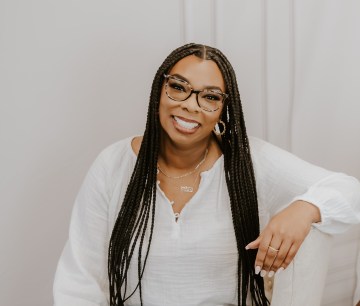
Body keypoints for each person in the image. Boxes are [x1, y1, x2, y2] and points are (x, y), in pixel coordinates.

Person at [53, 43, 360, 306]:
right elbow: (80, 280)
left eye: (210, 96)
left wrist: (305, 209)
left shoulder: (249, 161)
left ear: (224, 108)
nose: (190, 106)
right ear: (159, 90)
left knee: (317, 222)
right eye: (178, 88)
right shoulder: (112, 165)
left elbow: (350, 191)